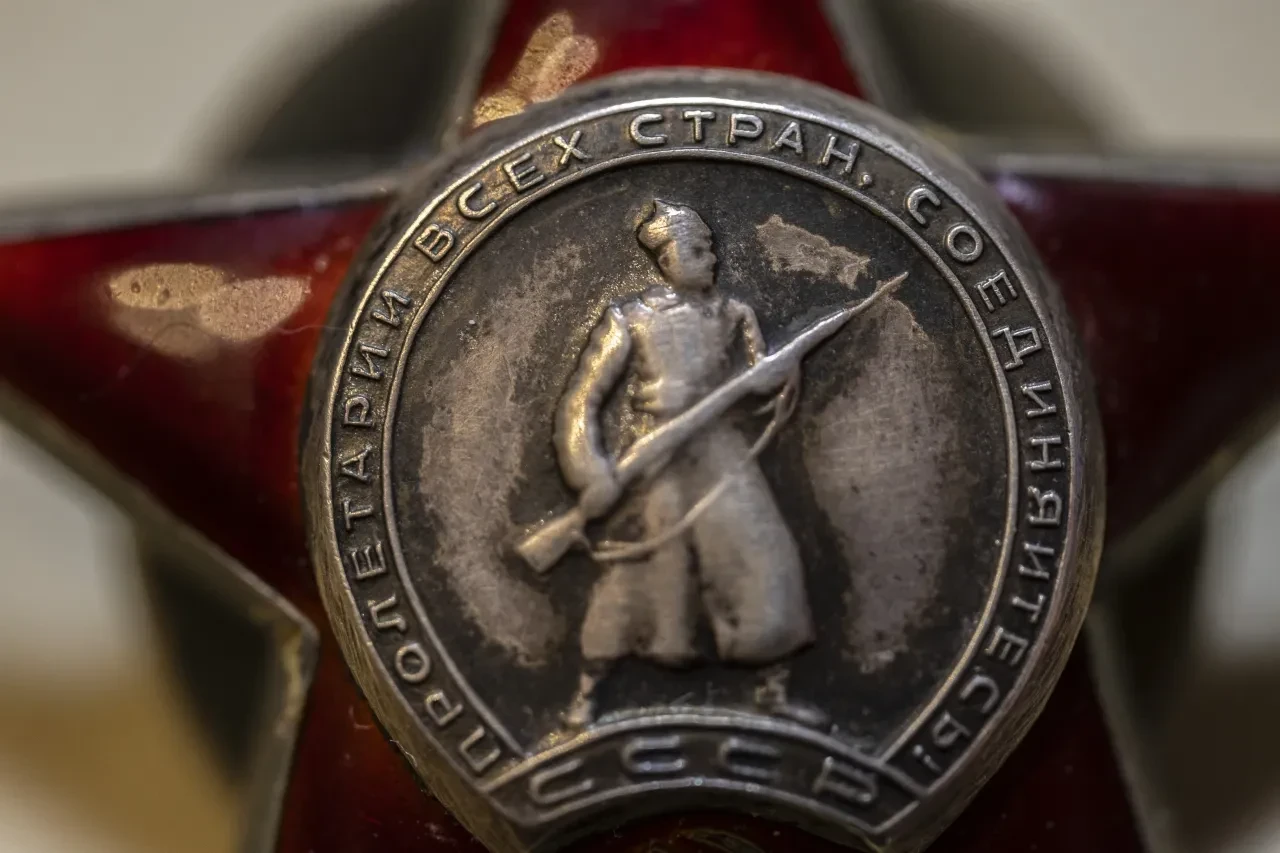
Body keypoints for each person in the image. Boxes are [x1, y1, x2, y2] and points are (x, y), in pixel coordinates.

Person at [554, 199, 817, 727]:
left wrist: (781, 378)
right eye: (698, 250)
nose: (712, 259)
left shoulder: (736, 314)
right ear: (668, 258)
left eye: (711, 249)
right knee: (640, 564)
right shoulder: (630, 319)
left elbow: (760, 380)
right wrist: (591, 471)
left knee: (763, 552)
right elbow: (583, 399)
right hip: (656, 450)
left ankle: (773, 690)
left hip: (722, 449)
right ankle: (587, 697)